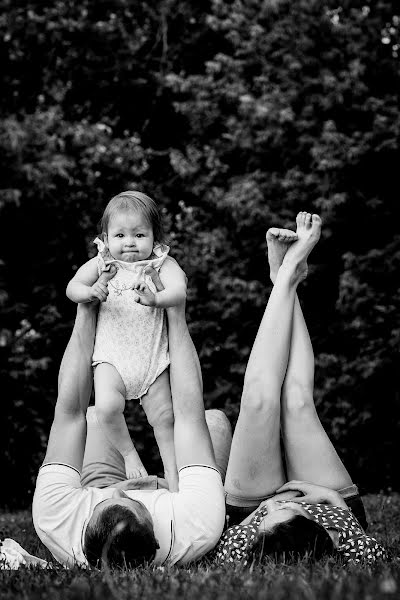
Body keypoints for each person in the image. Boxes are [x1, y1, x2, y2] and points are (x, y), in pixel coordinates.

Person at [209, 212, 387, 565]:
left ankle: (284, 278)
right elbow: (373, 547)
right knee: (297, 402)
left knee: (259, 400)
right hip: (329, 500)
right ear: (321, 529)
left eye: (272, 510)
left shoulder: (239, 547)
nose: (282, 499)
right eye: (291, 509)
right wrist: (323, 499)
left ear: (255, 533)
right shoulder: (349, 542)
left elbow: (222, 535)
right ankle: (285, 278)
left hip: (246, 504)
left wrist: (260, 510)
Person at [32, 264, 226, 568]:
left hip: (98, 483)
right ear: (159, 541)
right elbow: (189, 415)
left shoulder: (56, 518)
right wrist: (175, 313)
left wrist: (87, 307)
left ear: (85, 527)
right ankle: (170, 475)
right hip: (181, 495)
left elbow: (69, 414)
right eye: (136, 498)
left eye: (116, 495)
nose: (137, 488)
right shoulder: (198, 525)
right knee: (212, 421)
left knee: (95, 415)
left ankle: (114, 474)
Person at [66, 190, 186, 491]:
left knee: (165, 419)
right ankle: (130, 456)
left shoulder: (159, 264)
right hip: (113, 357)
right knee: (105, 408)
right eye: (119, 235)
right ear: (106, 238)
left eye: (139, 234)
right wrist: (92, 291)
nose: (129, 242)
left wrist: (157, 298)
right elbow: (72, 287)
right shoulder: (103, 263)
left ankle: (174, 478)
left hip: (151, 360)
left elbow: (179, 291)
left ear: (154, 239)